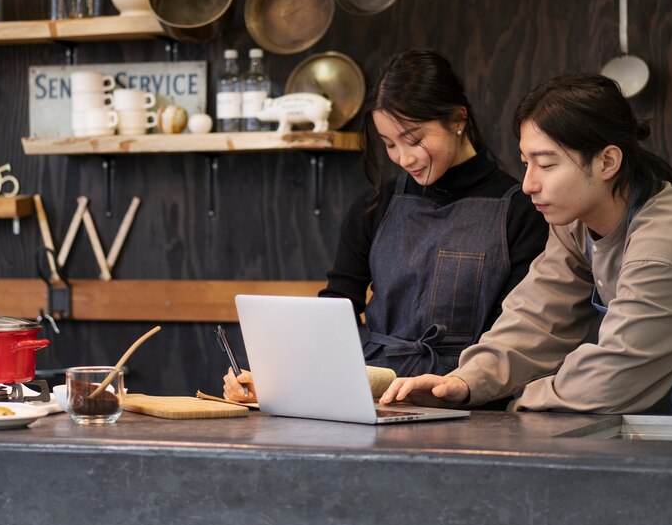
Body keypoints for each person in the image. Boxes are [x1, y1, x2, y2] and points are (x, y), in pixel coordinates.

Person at [381, 72, 672, 415]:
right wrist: (464, 382)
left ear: (607, 162)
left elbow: (610, 376)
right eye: (525, 162)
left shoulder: (667, 250)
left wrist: (511, 405)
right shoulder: (576, 219)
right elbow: (537, 315)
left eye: (545, 164)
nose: (527, 185)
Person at [223, 49, 548, 402]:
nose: (404, 158)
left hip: (470, 397)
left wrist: (461, 385)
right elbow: (336, 311)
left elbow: (513, 334)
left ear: (458, 119)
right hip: (375, 394)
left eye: (414, 139)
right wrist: (275, 379)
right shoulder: (376, 205)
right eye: (389, 144)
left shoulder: (521, 209)